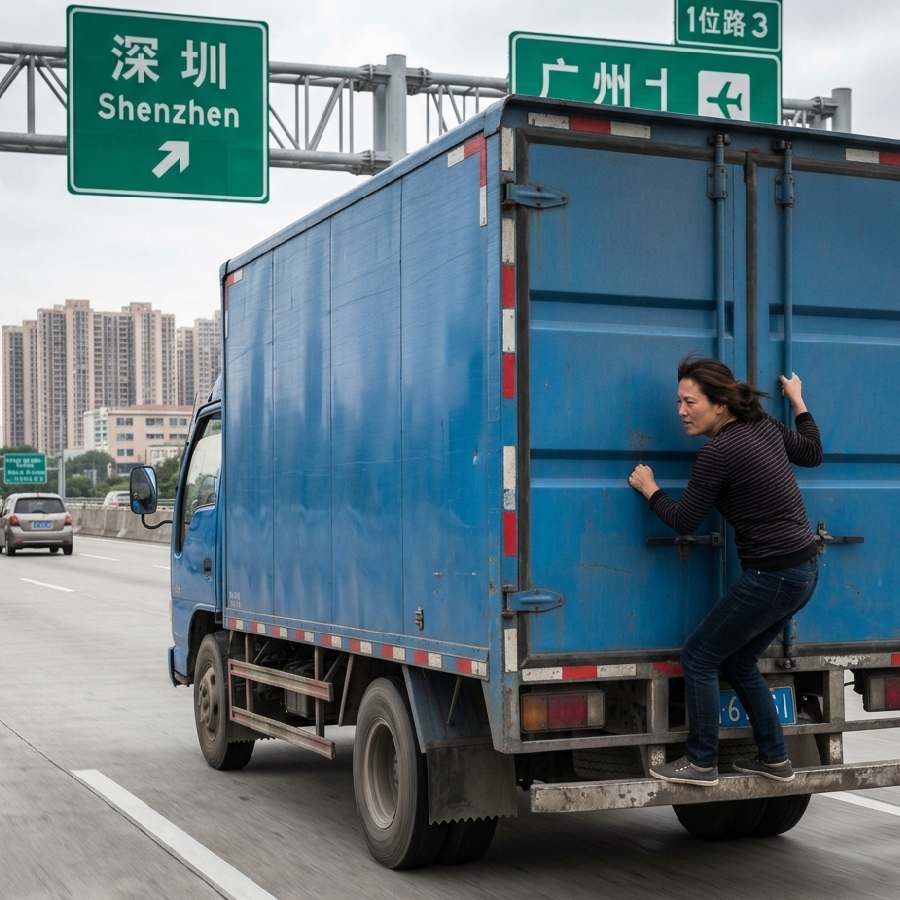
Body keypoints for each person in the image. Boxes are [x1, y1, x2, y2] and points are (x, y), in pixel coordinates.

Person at [628, 356, 823, 787]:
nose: (681, 411)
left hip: (773, 576)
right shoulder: (765, 426)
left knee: (698, 657)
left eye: (690, 402)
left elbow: (684, 520)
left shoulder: (717, 453)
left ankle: (701, 762)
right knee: (739, 660)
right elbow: (812, 452)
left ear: (720, 404)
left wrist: (650, 488)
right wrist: (798, 401)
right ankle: (774, 758)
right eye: (678, 402)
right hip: (804, 570)